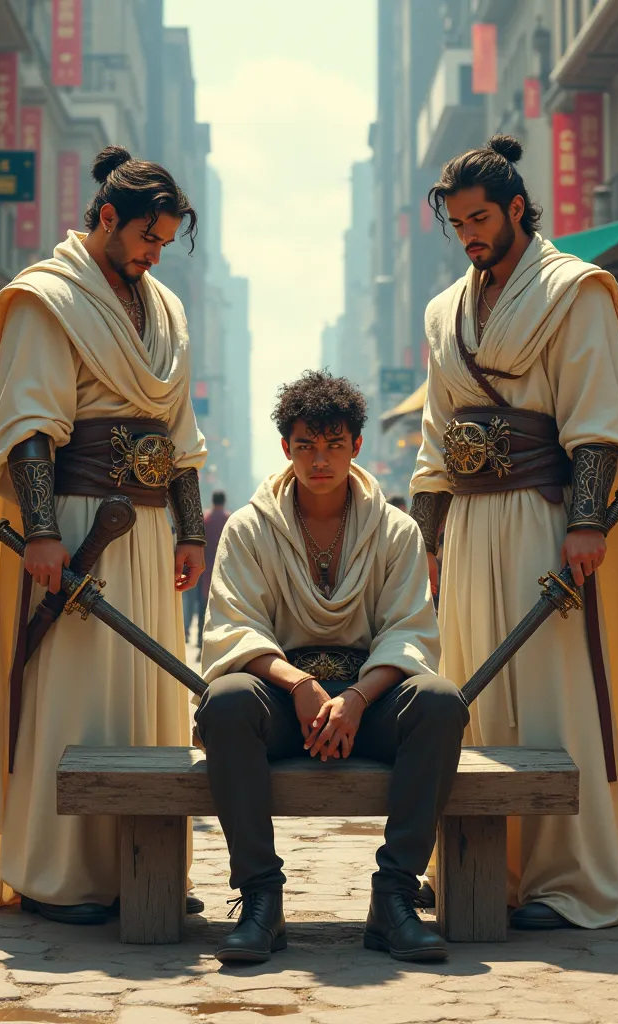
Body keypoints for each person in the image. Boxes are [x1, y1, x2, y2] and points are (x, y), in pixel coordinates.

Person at [0, 145, 208, 924]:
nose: (154, 253)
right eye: (147, 237)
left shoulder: (163, 306)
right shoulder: (45, 298)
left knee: (145, 704)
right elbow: (32, 424)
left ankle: (143, 865)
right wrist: (39, 531)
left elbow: (180, 433)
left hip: (149, 527)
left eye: (164, 241)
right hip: (75, 527)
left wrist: (192, 529)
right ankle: (55, 872)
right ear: (106, 217)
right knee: (72, 700)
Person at [410, 134, 618, 931]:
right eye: (457, 223)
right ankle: (486, 869)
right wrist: (431, 541)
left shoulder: (574, 292)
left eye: (480, 218)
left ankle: (570, 878)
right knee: (472, 695)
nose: (470, 233)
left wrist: (586, 521)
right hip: (472, 527)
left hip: (546, 516)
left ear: (517, 207)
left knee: (551, 698)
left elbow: (598, 422)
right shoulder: (446, 309)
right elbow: (435, 440)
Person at [195, 370, 468, 964]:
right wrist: (300, 684)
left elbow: (408, 630)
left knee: (443, 702)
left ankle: (394, 896)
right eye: (305, 446)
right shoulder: (248, 528)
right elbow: (233, 625)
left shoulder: (395, 530)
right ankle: (262, 899)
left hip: (367, 701)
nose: (320, 460)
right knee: (226, 702)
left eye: (334, 445)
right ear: (286, 449)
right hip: (283, 700)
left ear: (356, 446)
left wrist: (357, 699)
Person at [196, 491, 230, 649]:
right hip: (225, 571)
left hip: (205, 569)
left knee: (203, 607)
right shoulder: (229, 520)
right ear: (224, 502)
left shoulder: (206, 520)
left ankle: (200, 641)